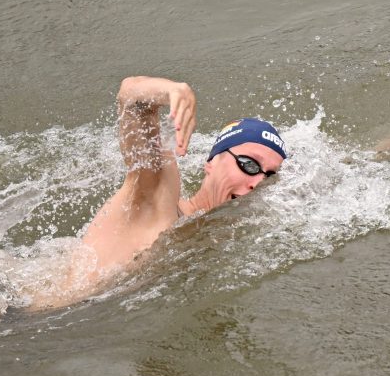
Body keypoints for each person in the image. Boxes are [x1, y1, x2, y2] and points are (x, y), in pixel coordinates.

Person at [68, 75, 288, 286]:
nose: (258, 183)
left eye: (269, 176)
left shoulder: (217, 239)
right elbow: (131, 96)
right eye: (249, 165)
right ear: (211, 162)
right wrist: (174, 90)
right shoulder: (160, 201)